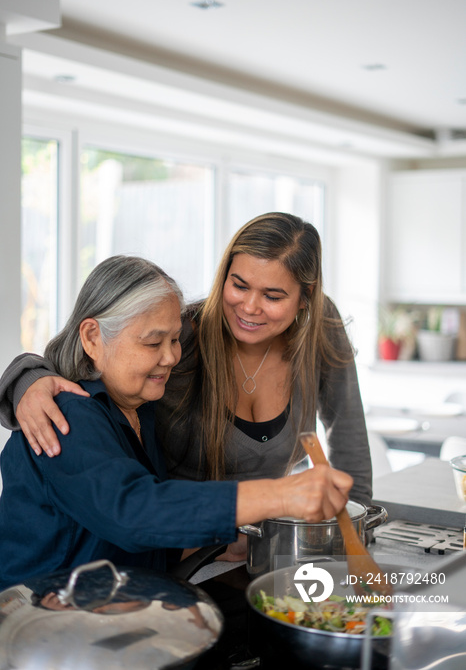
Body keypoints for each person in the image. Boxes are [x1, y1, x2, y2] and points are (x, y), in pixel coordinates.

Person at [0, 254, 352, 592]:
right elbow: (134, 512)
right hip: (39, 629)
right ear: (93, 337)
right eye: (153, 342)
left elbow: (114, 537)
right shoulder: (65, 416)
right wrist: (281, 495)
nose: (170, 357)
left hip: (108, 614)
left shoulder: (141, 409)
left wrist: (213, 540)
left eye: (174, 339)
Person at [0, 213, 370, 499]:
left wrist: (359, 531)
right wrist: (26, 380)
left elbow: (349, 439)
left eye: (273, 296)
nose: (250, 307)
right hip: (181, 546)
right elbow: (79, 356)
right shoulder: (179, 337)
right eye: (239, 285)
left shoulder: (320, 326)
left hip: (267, 543)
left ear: (305, 299)